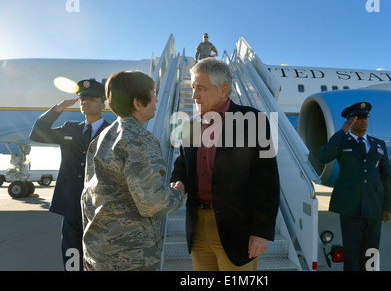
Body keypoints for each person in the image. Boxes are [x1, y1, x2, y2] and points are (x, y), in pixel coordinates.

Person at [170, 58, 280, 271]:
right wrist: (179, 180)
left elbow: (268, 180)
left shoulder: (253, 120)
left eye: (200, 88)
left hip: (238, 230)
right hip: (197, 227)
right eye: (193, 87)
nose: (194, 96)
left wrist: (261, 232)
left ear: (224, 89)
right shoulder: (189, 124)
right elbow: (182, 161)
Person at [81, 70, 185, 271]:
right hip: (130, 256)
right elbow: (151, 202)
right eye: (153, 94)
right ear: (138, 103)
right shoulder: (139, 138)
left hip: (98, 250)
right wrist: (177, 195)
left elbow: (88, 196)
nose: (156, 100)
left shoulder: (104, 136)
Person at [29, 79, 110, 271]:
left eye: (90, 99)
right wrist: (57, 109)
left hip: (101, 204)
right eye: (82, 99)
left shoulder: (112, 131)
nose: (85, 103)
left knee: (100, 252)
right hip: (71, 203)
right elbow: (37, 134)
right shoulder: (69, 128)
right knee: (72, 250)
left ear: (103, 103)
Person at [317, 102, 391, 271]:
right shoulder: (342, 141)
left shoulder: (379, 144)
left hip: (374, 207)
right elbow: (323, 156)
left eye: (365, 117)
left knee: (372, 253)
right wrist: (343, 131)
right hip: (349, 207)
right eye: (359, 118)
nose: (364, 121)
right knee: (351, 254)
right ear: (350, 120)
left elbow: (387, 176)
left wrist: (388, 206)